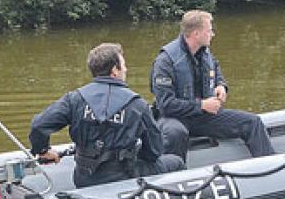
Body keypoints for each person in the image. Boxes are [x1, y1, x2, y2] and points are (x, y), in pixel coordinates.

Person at [29, 43, 184, 188]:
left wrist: (43, 151)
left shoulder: (75, 99)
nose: (126, 69)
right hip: (124, 177)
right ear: (114, 70)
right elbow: (154, 151)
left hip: (84, 179)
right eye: (123, 65)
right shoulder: (137, 105)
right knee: (175, 162)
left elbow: (39, 125)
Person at [150, 10, 275, 162]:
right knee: (175, 133)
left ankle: (269, 165)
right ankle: (172, 176)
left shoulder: (204, 53)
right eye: (209, 30)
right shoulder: (165, 61)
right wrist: (202, 105)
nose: (213, 34)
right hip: (174, 117)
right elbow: (166, 105)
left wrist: (221, 85)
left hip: (202, 116)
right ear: (196, 33)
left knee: (252, 122)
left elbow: (215, 69)